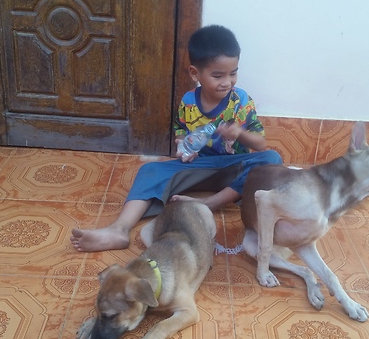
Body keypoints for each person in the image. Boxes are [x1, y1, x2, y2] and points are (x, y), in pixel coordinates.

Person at [71, 25, 282, 252]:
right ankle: (119, 230)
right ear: (195, 73)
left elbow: (260, 144)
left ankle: (209, 204)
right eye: (218, 75)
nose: (227, 82)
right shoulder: (189, 101)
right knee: (149, 171)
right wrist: (182, 145)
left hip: (234, 169)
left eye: (233, 73)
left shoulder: (240, 101)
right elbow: (180, 129)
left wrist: (240, 133)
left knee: (271, 158)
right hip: (199, 168)